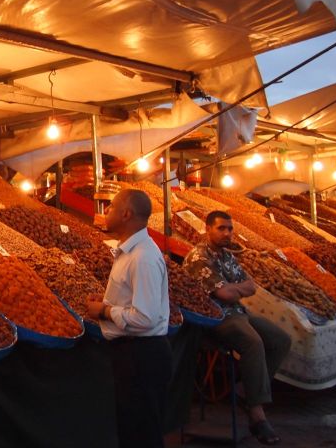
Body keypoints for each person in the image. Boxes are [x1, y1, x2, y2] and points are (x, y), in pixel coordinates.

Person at [183, 210, 290, 446]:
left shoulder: (227, 256)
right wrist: (235, 289)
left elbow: (251, 286)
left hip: (238, 312)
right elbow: (223, 294)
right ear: (207, 228)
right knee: (253, 342)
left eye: (230, 229)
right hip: (214, 318)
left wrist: (235, 290)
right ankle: (256, 413)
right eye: (221, 228)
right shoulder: (198, 257)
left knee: (280, 339)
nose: (227, 233)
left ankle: (245, 390)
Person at [86, 189, 172, 448]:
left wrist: (104, 311)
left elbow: (145, 318)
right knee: (133, 429)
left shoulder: (142, 257)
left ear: (126, 214)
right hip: (133, 355)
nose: (105, 212)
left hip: (141, 356)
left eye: (110, 207)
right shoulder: (131, 251)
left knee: (141, 433)